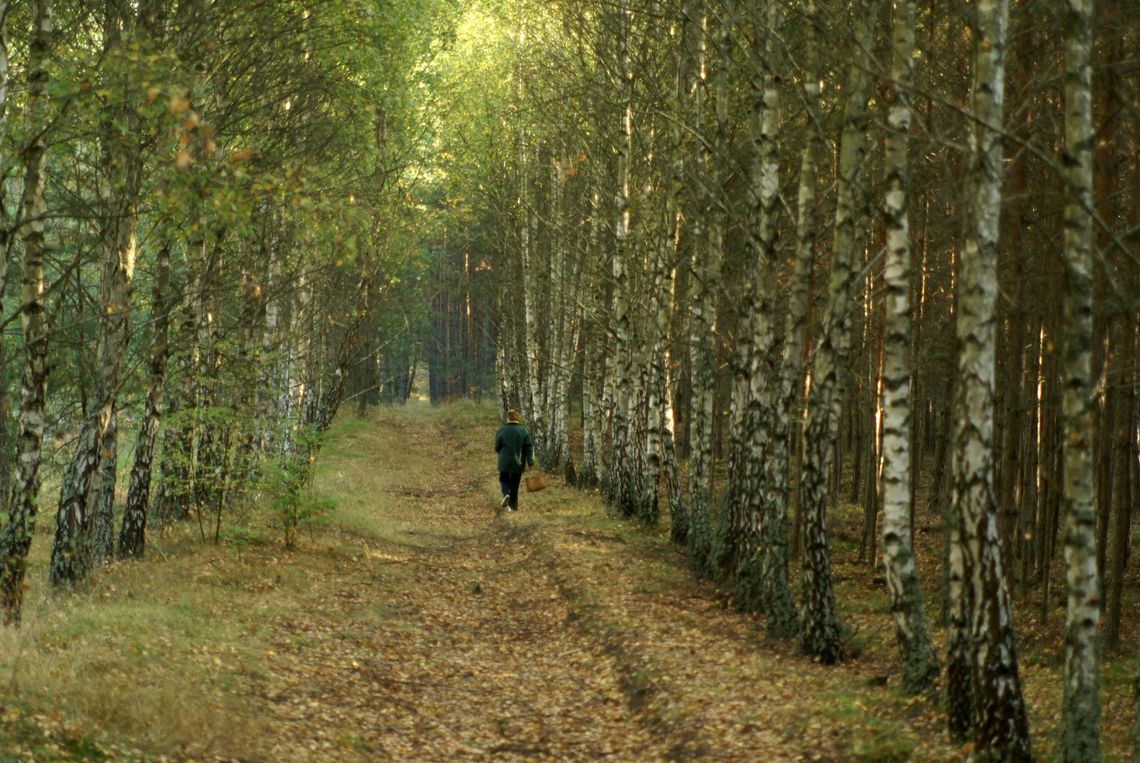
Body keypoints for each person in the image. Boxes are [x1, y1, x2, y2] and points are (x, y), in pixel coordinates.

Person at [494, 409, 534, 512]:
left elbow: (497, 445)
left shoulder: (502, 429)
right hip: (519, 461)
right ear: (517, 418)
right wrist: (530, 462)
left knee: (503, 479)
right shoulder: (523, 430)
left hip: (505, 460)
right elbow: (528, 447)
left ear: (508, 418)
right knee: (515, 484)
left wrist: (501, 453)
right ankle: (513, 507)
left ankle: (506, 493)